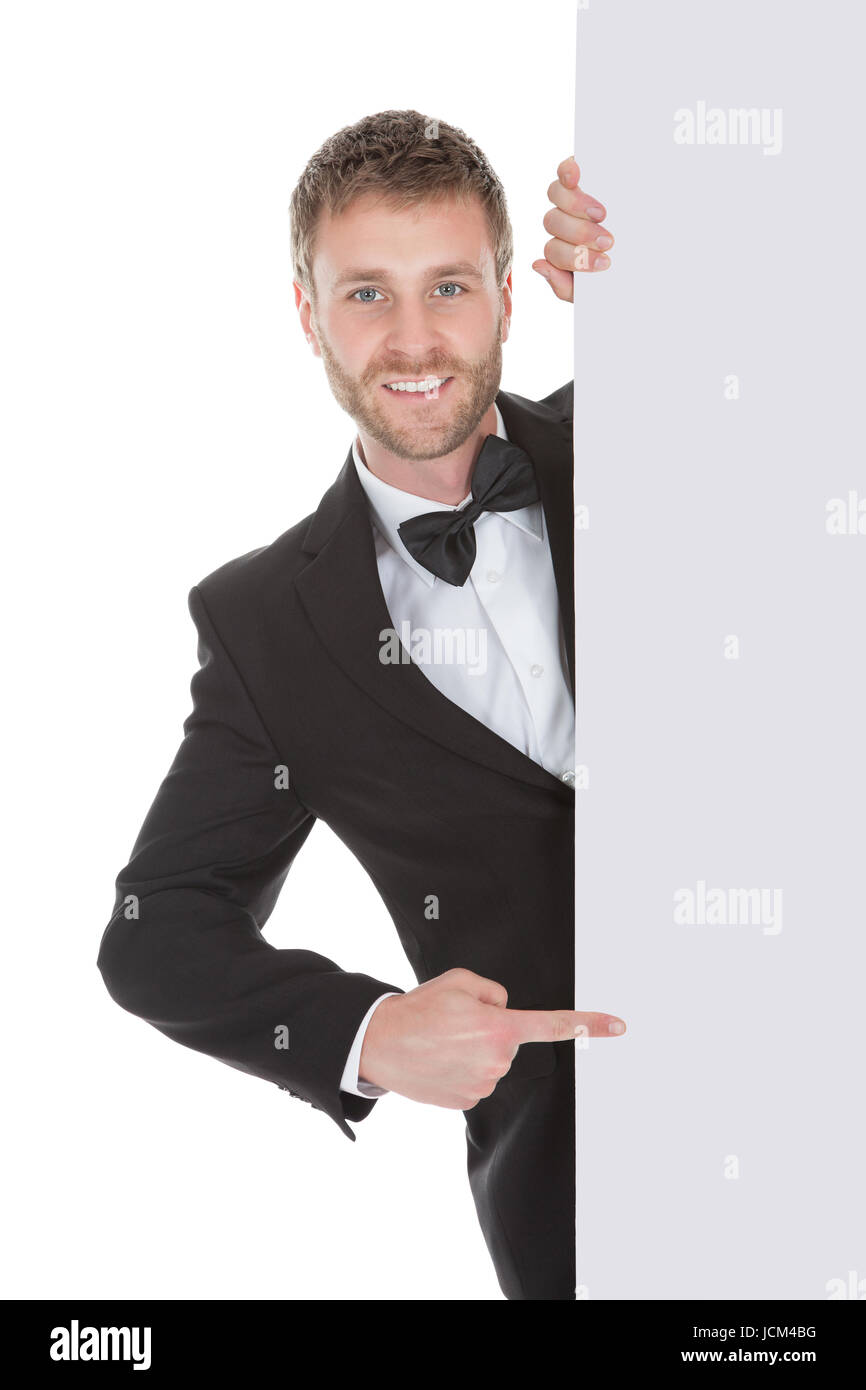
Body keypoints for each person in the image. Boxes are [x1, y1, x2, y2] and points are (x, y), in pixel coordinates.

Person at [96, 110, 625, 1301]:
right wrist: (370, 1033)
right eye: (365, 294)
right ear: (305, 312)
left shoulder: (653, 432)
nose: (413, 337)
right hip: (579, 1207)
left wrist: (701, 264)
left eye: (447, 284)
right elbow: (155, 929)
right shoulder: (267, 625)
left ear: (507, 290)